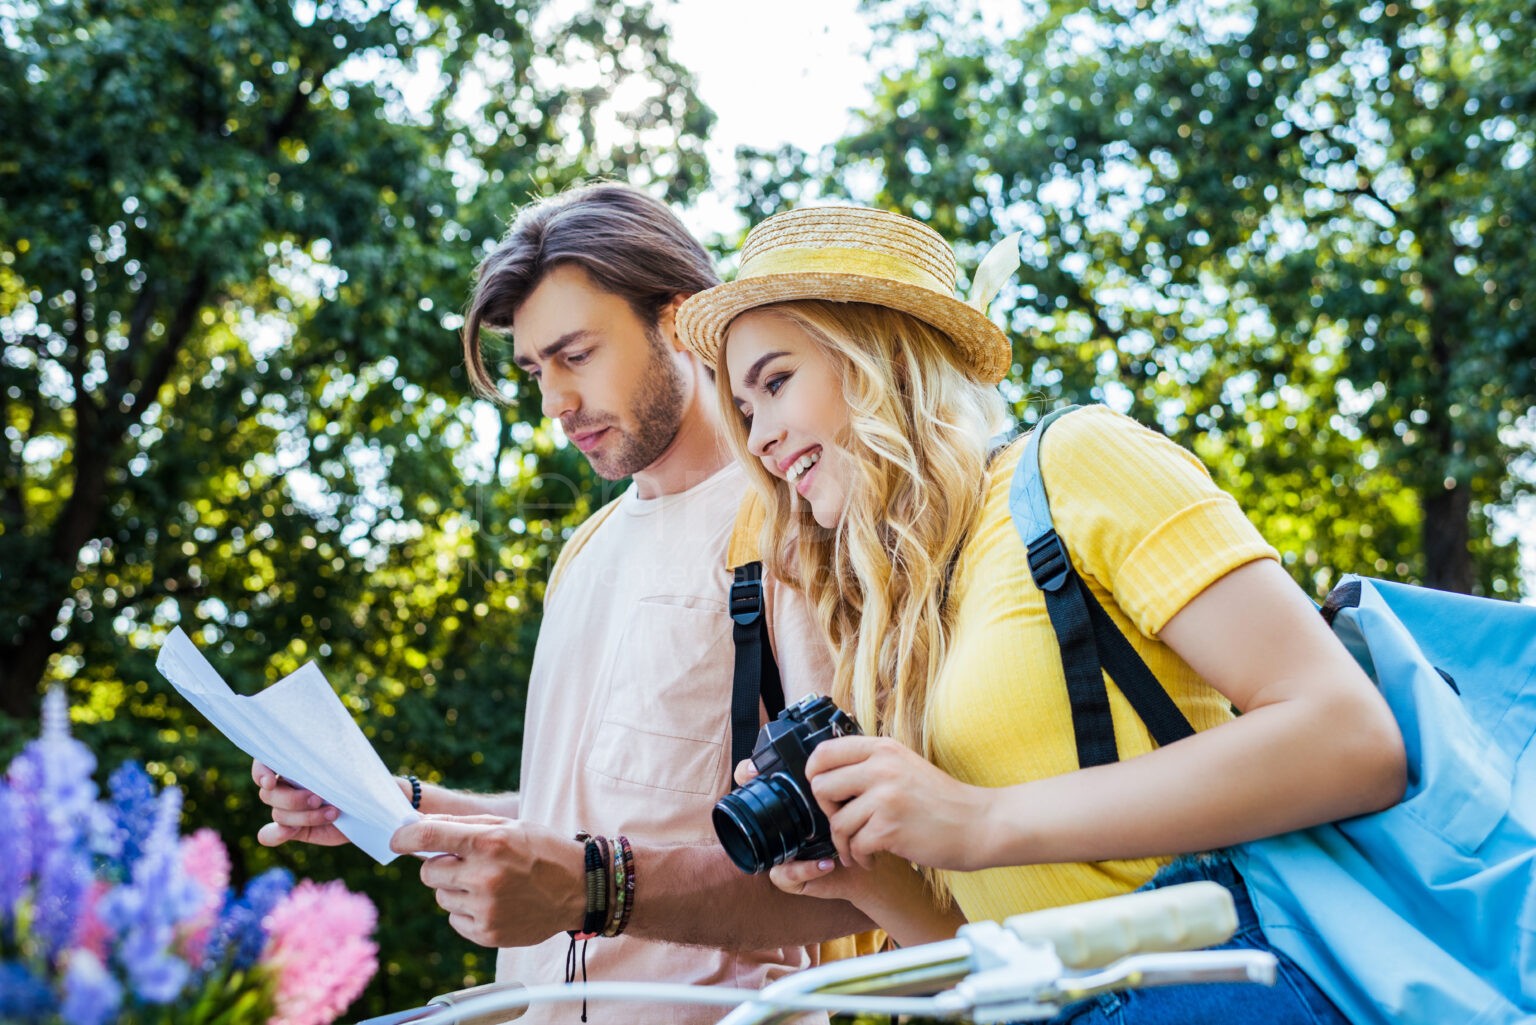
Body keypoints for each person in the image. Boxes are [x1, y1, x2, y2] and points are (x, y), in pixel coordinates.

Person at [674, 204, 1408, 1023]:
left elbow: (1351, 737)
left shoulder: (1072, 465)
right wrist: (871, 880)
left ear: (878, 355)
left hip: (1212, 988)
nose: (762, 437)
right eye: (744, 411)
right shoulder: (890, 626)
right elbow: (984, 965)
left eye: (776, 383)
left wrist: (981, 819)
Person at [250, 183, 900, 1024]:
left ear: (676, 319)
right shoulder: (582, 554)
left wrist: (594, 888)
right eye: (535, 371)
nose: (553, 401)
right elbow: (579, 816)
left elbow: (858, 880)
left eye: (577, 354)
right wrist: (399, 804)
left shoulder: (789, 521)